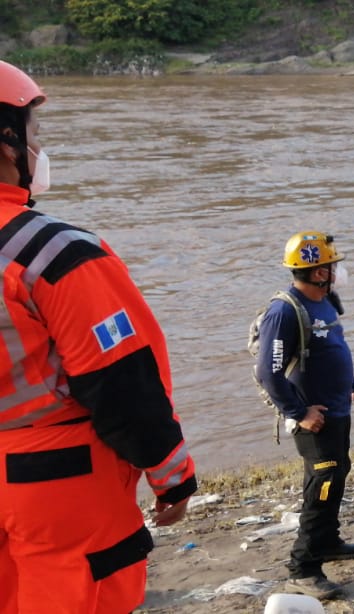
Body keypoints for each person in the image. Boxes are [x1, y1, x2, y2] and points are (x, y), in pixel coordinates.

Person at [0, 60, 198, 612]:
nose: (40, 145)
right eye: (34, 130)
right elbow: (120, 381)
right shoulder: (53, 253)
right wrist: (172, 474)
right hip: (58, 483)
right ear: (8, 140)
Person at [256, 231, 354, 600]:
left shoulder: (325, 301)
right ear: (316, 271)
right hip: (314, 417)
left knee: (338, 474)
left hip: (337, 409)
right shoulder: (284, 311)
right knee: (320, 487)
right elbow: (268, 372)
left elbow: (335, 347)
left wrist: (353, 388)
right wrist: (299, 411)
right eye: (330, 265)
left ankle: (328, 541)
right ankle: (303, 569)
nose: (337, 270)